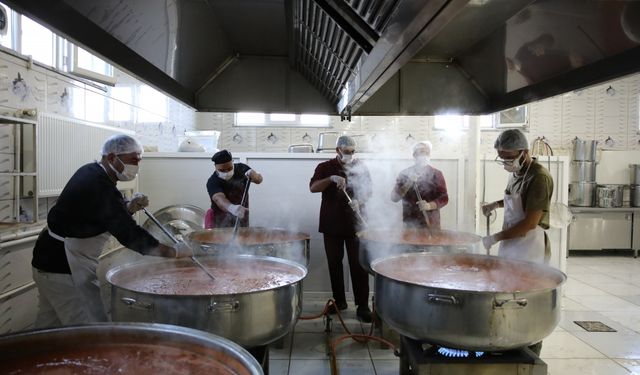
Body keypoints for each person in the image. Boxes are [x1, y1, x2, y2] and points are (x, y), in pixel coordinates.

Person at [45, 134, 190, 323]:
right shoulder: (99, 184)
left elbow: (100, 214)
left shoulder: (92, 171)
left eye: (139, 161)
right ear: (112, 157)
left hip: (49, 261)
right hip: (62, 266)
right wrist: (174, 252)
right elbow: (131, 236)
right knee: (90, 329)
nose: (136, 167)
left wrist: (128, 208)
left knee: (48, 326)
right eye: (132, 160)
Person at [481, 129, 553, 356]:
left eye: (509, 157)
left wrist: (494, 238)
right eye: (502, 157)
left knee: (525, 298)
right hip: (512, 243)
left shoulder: (539, 177)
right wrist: (495, 204)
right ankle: (504, 339)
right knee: (506, 293)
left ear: (524, 152)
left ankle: (529, 348)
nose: (506, 162)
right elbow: (515, 199)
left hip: (530, 245)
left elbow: (530, 223)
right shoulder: (517, 173)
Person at [309, 135, 372, 323]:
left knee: (358, 264)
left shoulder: (361, 167)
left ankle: (362, 305)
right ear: (337, 151)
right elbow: (313, 187)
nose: (350, 155)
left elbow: (369, 190)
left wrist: (360, 201)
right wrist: (330, 178)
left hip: (356, 224)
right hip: (332, 224)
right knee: (334, 263)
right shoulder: (324, 167)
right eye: (346, 152)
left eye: (353, 152)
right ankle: (339, 301)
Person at [31, 228, 88, 327]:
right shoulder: (109, 213)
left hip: (41, 262)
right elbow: (123, 234)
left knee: (49, 320)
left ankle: (40, 341)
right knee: (78, 326)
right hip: (62, 270)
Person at [391, 141, 448, 229]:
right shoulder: (404, 174)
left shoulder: (436, 174)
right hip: (410, 223)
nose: (424, 156)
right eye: (420, 152)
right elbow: (394, 198)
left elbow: (444, 198)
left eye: (426, 153)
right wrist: (408, 183)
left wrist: (429, 205)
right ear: (414, 156)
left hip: (431, 224)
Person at [206, 149, 263, 228]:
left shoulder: (241, 169)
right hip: (220, 220)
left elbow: (259, 180)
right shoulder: (213, 181)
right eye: (222, 170)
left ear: (232, 162)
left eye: (229, 169)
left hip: (242, 216)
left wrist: (254, 175)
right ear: (215, 167)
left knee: (243, 237)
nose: (226, 172)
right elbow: (218, 199)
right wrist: (231, 208)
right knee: (222, 239)